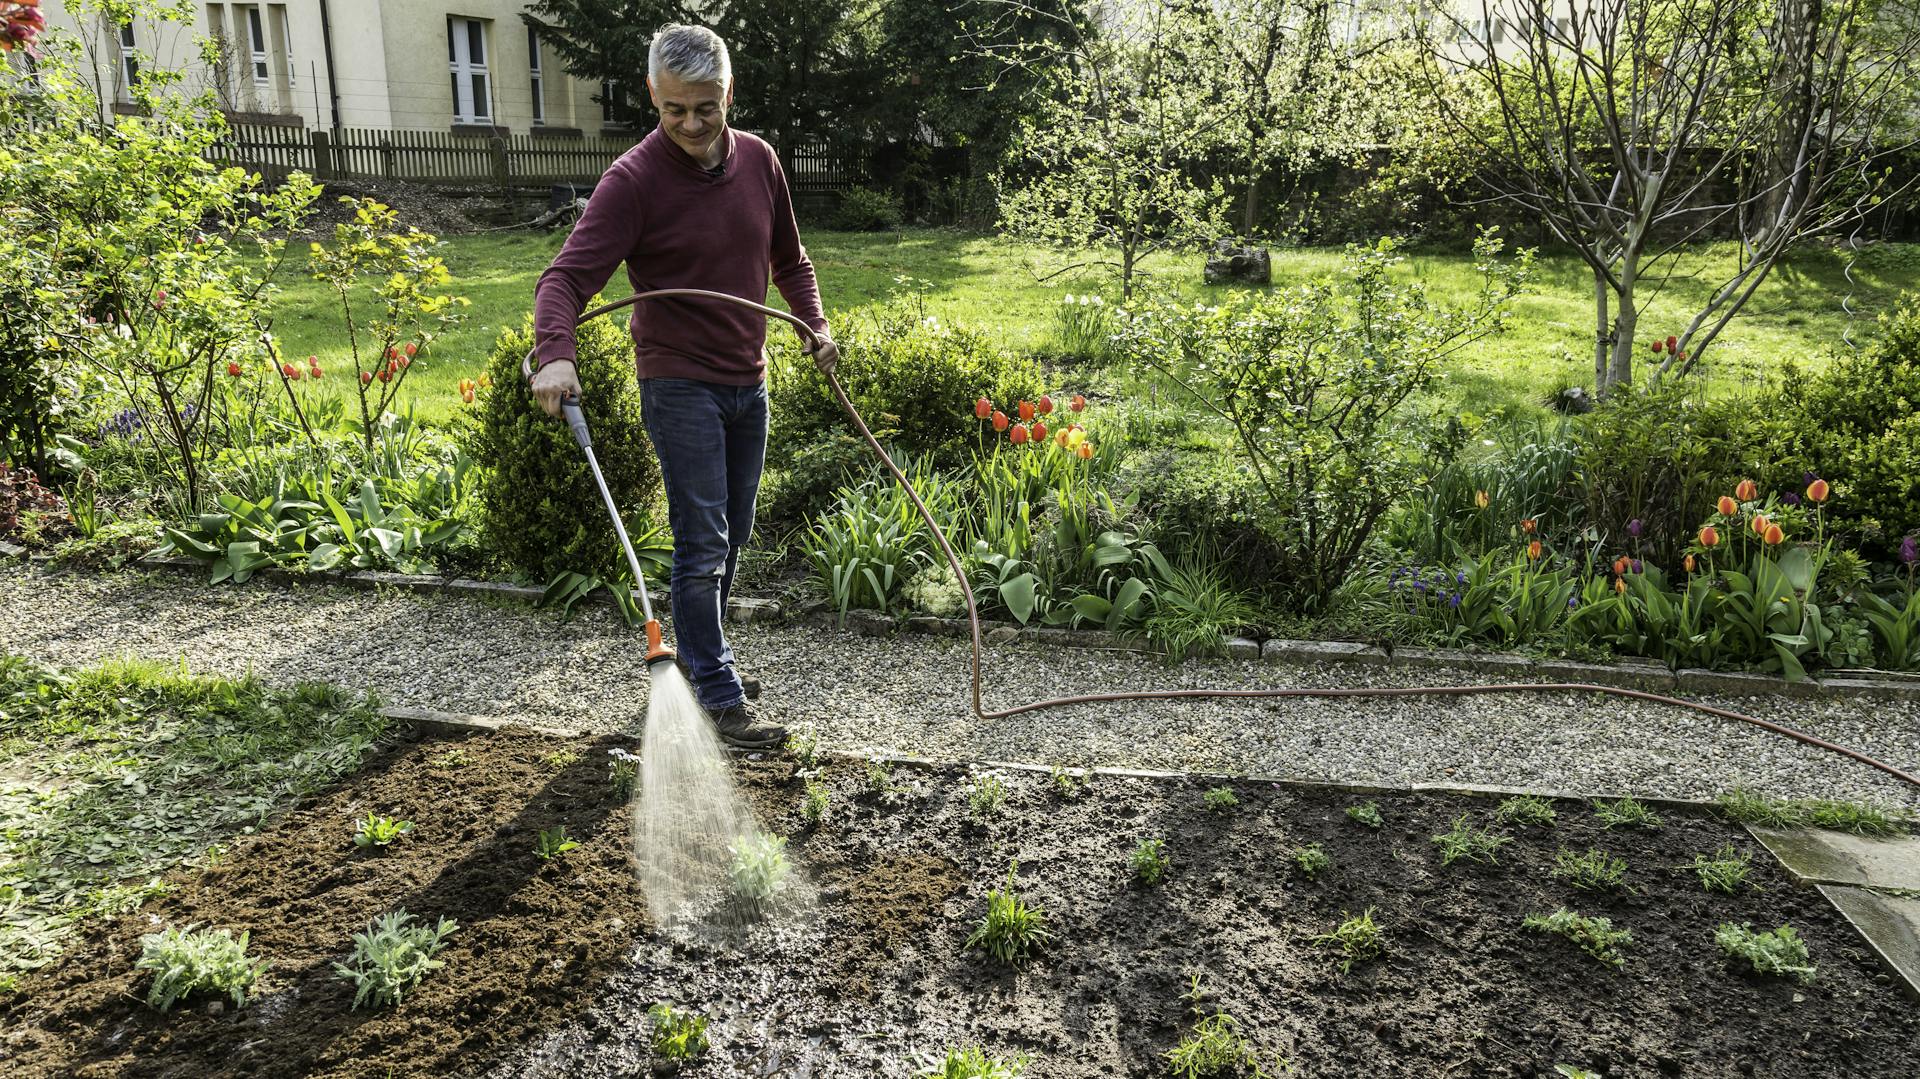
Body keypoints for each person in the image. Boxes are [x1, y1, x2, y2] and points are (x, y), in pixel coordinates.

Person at [529, 23, 837, 750]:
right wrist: (555, 353)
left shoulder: (760, 161)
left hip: (746, 379)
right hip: (678, 382)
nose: (692, 125)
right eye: (675, 111)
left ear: (730, 93)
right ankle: (720, 699)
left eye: (706, 107)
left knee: (731, 541)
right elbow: (565, 278)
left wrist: (813, 324)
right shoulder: (633, 182)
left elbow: (790, 261)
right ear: (653, 97)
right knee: (701, 543)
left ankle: (705, 662)